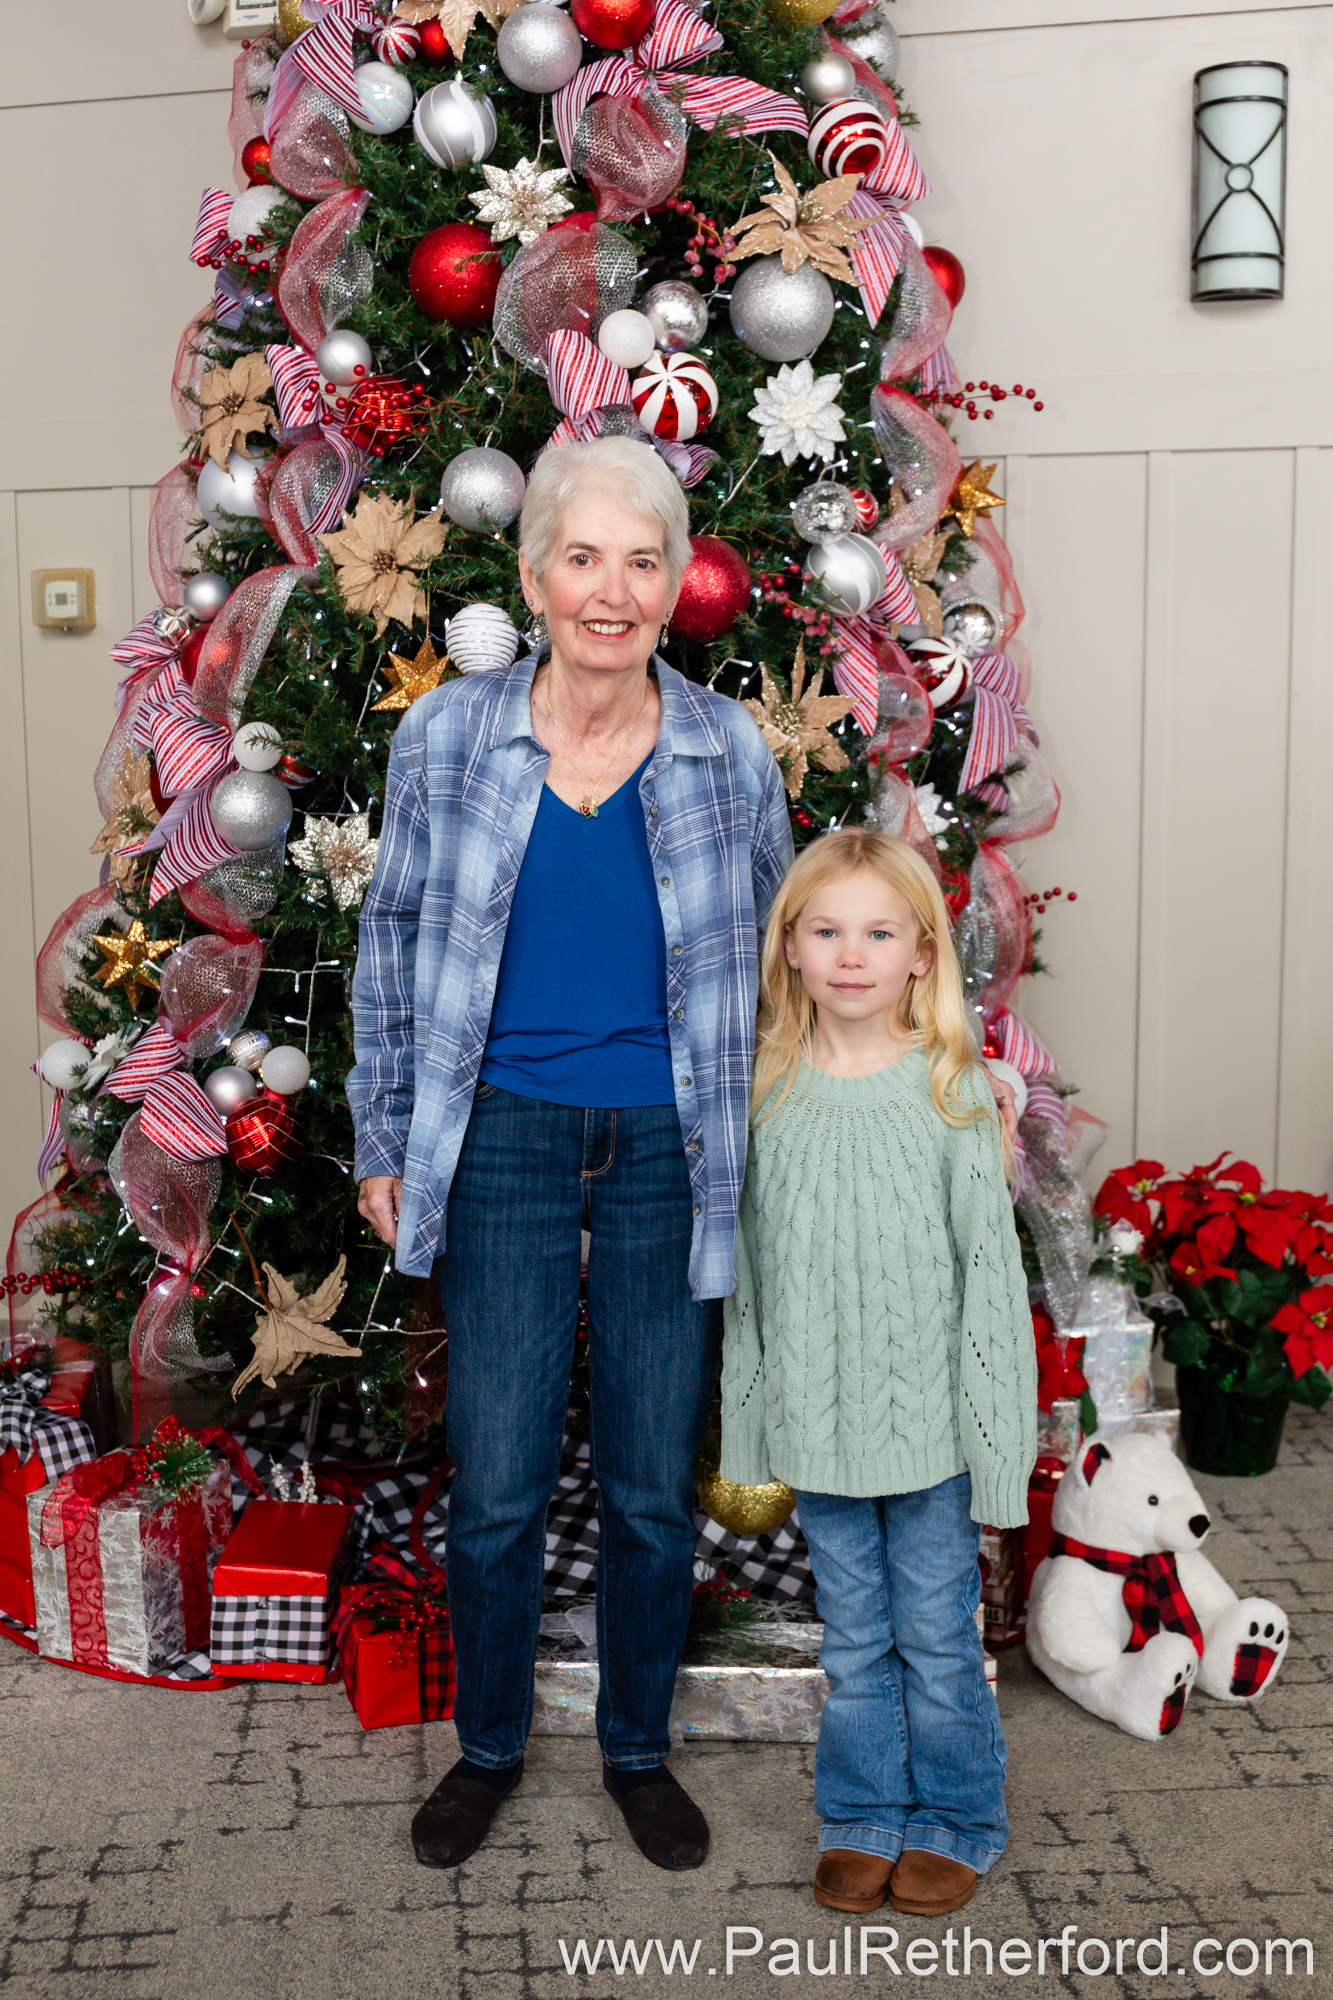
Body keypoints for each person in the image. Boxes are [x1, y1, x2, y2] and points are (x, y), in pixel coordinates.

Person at [347, 435, 796, 1873]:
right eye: (583, 558)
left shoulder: (726, 750)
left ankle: (636, 1748)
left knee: (656, 1482)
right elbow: (395, 944)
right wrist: (383, 1132)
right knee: (497, 1479)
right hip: (504, 1144)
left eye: (643, 561)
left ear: (678, 586)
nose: (612, 590)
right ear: (534, 574)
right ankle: (487, 1748)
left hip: (674, 1143)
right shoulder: (447, 740)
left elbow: (782, 970)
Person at [719, 828, 1037, 1919]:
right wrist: (752, 1436)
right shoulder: (765, 1095)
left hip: (933, 1439)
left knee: (938, 1633)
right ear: (791, 951)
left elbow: (989, 1289)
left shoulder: (950, 1096)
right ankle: (861, 1814)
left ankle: (954, 1816)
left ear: (918, 953)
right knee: (853, 1636)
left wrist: (998, 1457)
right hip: (818, 1430)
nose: (851, 955)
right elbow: (751, 1286)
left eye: (878, 931)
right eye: (826, 930)